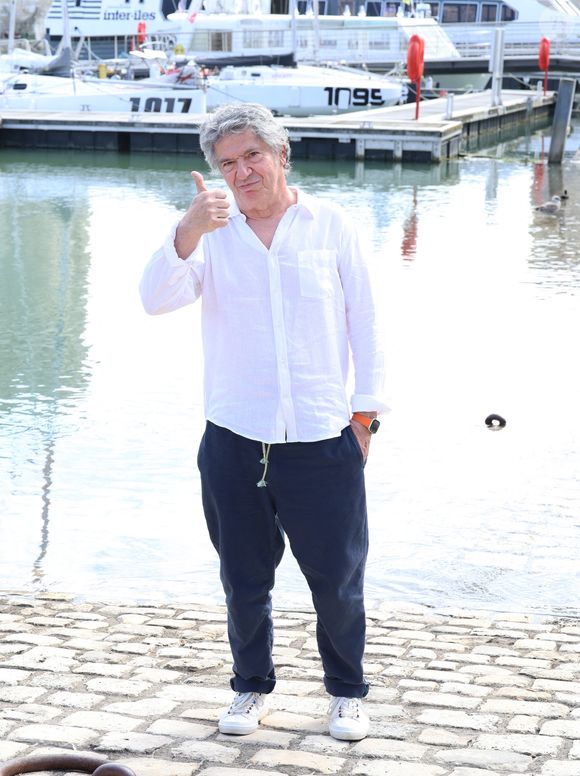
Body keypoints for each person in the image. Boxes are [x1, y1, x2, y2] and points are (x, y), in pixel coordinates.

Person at [139, 102, 387, 741]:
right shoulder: (211, 233)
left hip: (323, 437)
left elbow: (368, 324)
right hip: (233, 437)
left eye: (252, 155)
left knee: (337, 582)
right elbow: (154, 299)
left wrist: (365, 418)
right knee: (243, 580)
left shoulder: (332, 225)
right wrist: (187, 228)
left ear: (281, 154)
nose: (242, 171)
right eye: (227, 163)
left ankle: (346, 693)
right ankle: (251, 689)